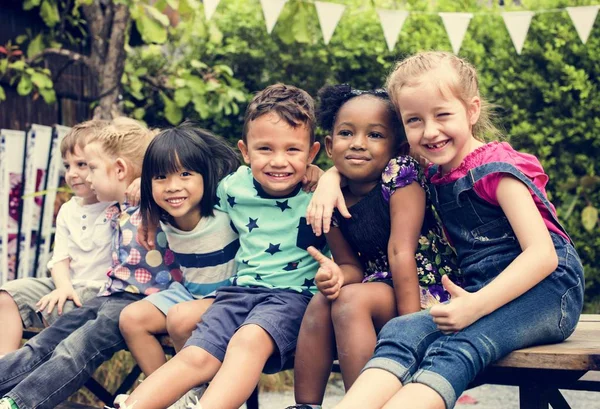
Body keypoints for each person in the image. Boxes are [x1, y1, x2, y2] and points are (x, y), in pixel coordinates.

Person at [312, 51, 585, 409]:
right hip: (481, 289)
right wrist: (331, 176)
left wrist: (475, 306)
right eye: (414, 120)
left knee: (456, 347)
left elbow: (542, 255)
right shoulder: (432, 170)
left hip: (548, 291)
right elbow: (359, 163)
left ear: (471, 110)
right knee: (403, 329)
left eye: (443, 115)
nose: (430, 131)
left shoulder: (496, 169)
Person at [113, 83, 327, 409]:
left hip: (294, 297)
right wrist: (150, 205)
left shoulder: (321, 191)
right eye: (265, 149)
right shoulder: (233, 187)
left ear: (311, 153)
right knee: (197, 354)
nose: (279, 161)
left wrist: (328, 177)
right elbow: (183, 193)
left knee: (247, 339)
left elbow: (350, 178)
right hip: (239, 293)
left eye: (293, 151)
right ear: (245, 151)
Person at [288, 85, 460, 409]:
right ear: (329, 145)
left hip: (423, 291)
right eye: (346, 133)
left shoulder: (400, 175)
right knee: (322, 302)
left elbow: (401, 252)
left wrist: (411, 332)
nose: (358, 143)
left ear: (397, 147)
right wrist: (336, 277)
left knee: (350, 302)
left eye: (375, 135)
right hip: (380, 287)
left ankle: (367, 401)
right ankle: (305, 405)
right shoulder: (331, 200)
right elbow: (352, 266)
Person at [0, 118, 179, 409]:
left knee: (74, 348)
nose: (87, 178)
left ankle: (18, 403)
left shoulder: (155, 201)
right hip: (112, 296)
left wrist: (144, 183)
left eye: (90, 167)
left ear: (120, 170)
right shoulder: (114, 206)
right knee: (46, 342)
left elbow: (177, 174)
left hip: (141, 302)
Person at [117, 123, 240, 405]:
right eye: (161, 177)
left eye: (185, 174)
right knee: (132, 319)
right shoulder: (162, 213)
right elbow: (139, 192)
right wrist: (145, 200)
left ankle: (197, 392)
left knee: (180, 317)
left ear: (205, 175)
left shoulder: (225, 205)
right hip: (192, 292)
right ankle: (172, 395)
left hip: (233, 295)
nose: (173, 187)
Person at [0, 120, 111, 356]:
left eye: (82, 164)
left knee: (61, 307)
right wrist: (63, 287)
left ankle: (36, 378)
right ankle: (4, 368)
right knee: (9, 294)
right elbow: (60, 259)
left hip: (102, 292)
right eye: (67, 166)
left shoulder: (120, 205)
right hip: (67, 285)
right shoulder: (68, 210)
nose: (72, 174)